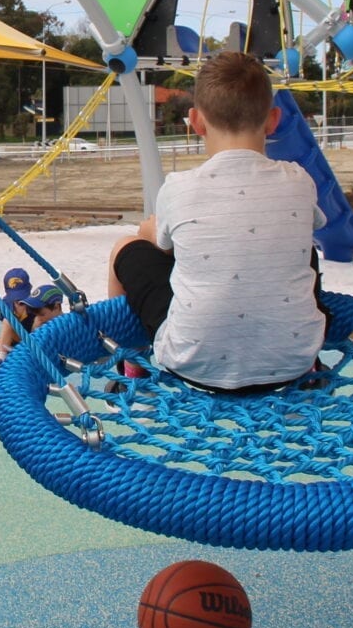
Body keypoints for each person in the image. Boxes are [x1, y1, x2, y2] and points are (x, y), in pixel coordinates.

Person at [104, 52, 326, 391]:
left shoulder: (178, 187)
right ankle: (305, 354)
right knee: (302, 248)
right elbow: (310, 226)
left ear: (196, 121)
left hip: (193, 363)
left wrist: (149, 230)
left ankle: (130, 364)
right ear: (273, 120)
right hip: (292, 359)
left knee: (126, 247)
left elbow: (160, 245)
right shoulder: (299, 180)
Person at [0, 266, 65, 359]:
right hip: (24, 338)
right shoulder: (6, 305)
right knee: (8, 321)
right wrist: (4, 339)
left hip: (36, 337)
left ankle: (32, 350)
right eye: (16, 301)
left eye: (22, 300)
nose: (20, 304)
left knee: (39, 320)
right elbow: (6, 326)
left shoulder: (33, 305)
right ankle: (1, 357)